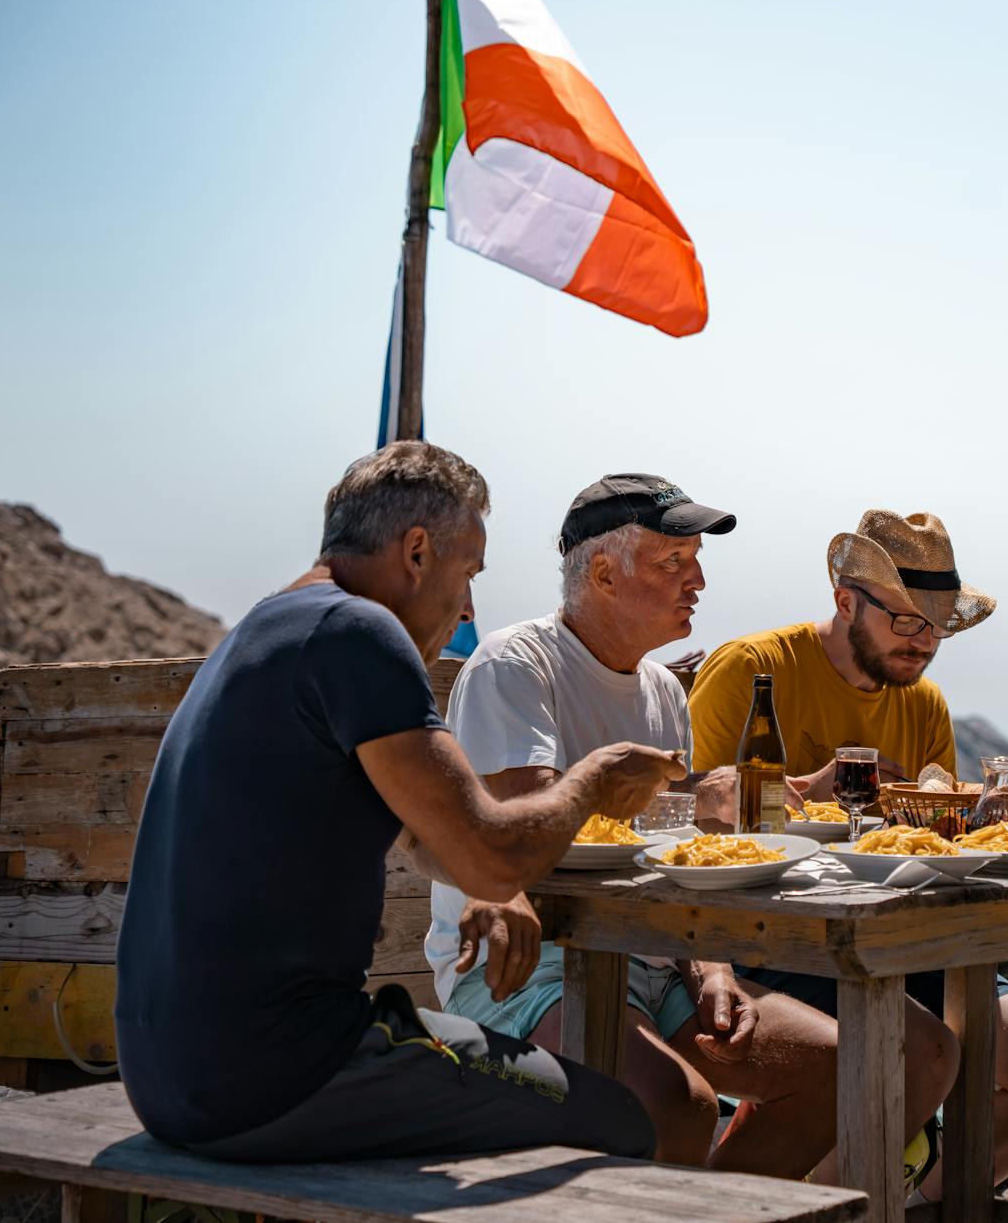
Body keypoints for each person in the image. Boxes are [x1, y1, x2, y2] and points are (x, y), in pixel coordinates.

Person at [114, 443, 686, 1163]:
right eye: (468, 572)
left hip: (168, 1070)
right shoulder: (359, 632)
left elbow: (433, 838)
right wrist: (596, 779)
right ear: (417, 551)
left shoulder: (273, 624)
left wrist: (481, 870)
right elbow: (490, 858)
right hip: (277, 1071)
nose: (470, 605)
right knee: (630, 1121)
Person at [424, 474, 851, 1178]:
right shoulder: (515, 664)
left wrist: (710, 965)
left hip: (654, 959)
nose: (699, 580)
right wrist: (683, 806)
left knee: (839, 1067)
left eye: (696, 560)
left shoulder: (659, 689)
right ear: (602, 573)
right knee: (676, 1104)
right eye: (673, 563)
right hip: (532, 964)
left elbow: (672, 851)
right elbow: (523, 839)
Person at [688, 509, 1008, 1205]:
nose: (922, 641)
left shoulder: (923, 701)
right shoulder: (752, 670)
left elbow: (934, 840)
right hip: (772, 943)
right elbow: (693, 824)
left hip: (902, 937)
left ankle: (892, 1203)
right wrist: (809, 787)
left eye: (935, 625)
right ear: (845, 600)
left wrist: (981, 823)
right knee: (921, 1052)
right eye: (905, 619)